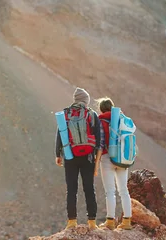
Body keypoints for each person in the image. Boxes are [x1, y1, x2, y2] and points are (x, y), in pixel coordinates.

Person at [55, 87, 102, 230]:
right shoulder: (91, 114)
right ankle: (92, 222)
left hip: (70, 156)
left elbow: (60, 135)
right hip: (88, 157)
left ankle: (71, 222)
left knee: (71, 189)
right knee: (89, 188)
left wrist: (58, 154)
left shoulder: (66, 114)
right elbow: (98, 139)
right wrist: (96, 161)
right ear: (86, 101)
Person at [96, 97, 132, 230]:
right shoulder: (123, 119)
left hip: (107, 158)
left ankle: (110, 221)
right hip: (122, 158)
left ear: (101, 109)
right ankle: (127, 222)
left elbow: (99, 143)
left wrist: (96, 162)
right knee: (124, 190)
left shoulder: (100, 120)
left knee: (110, 192)